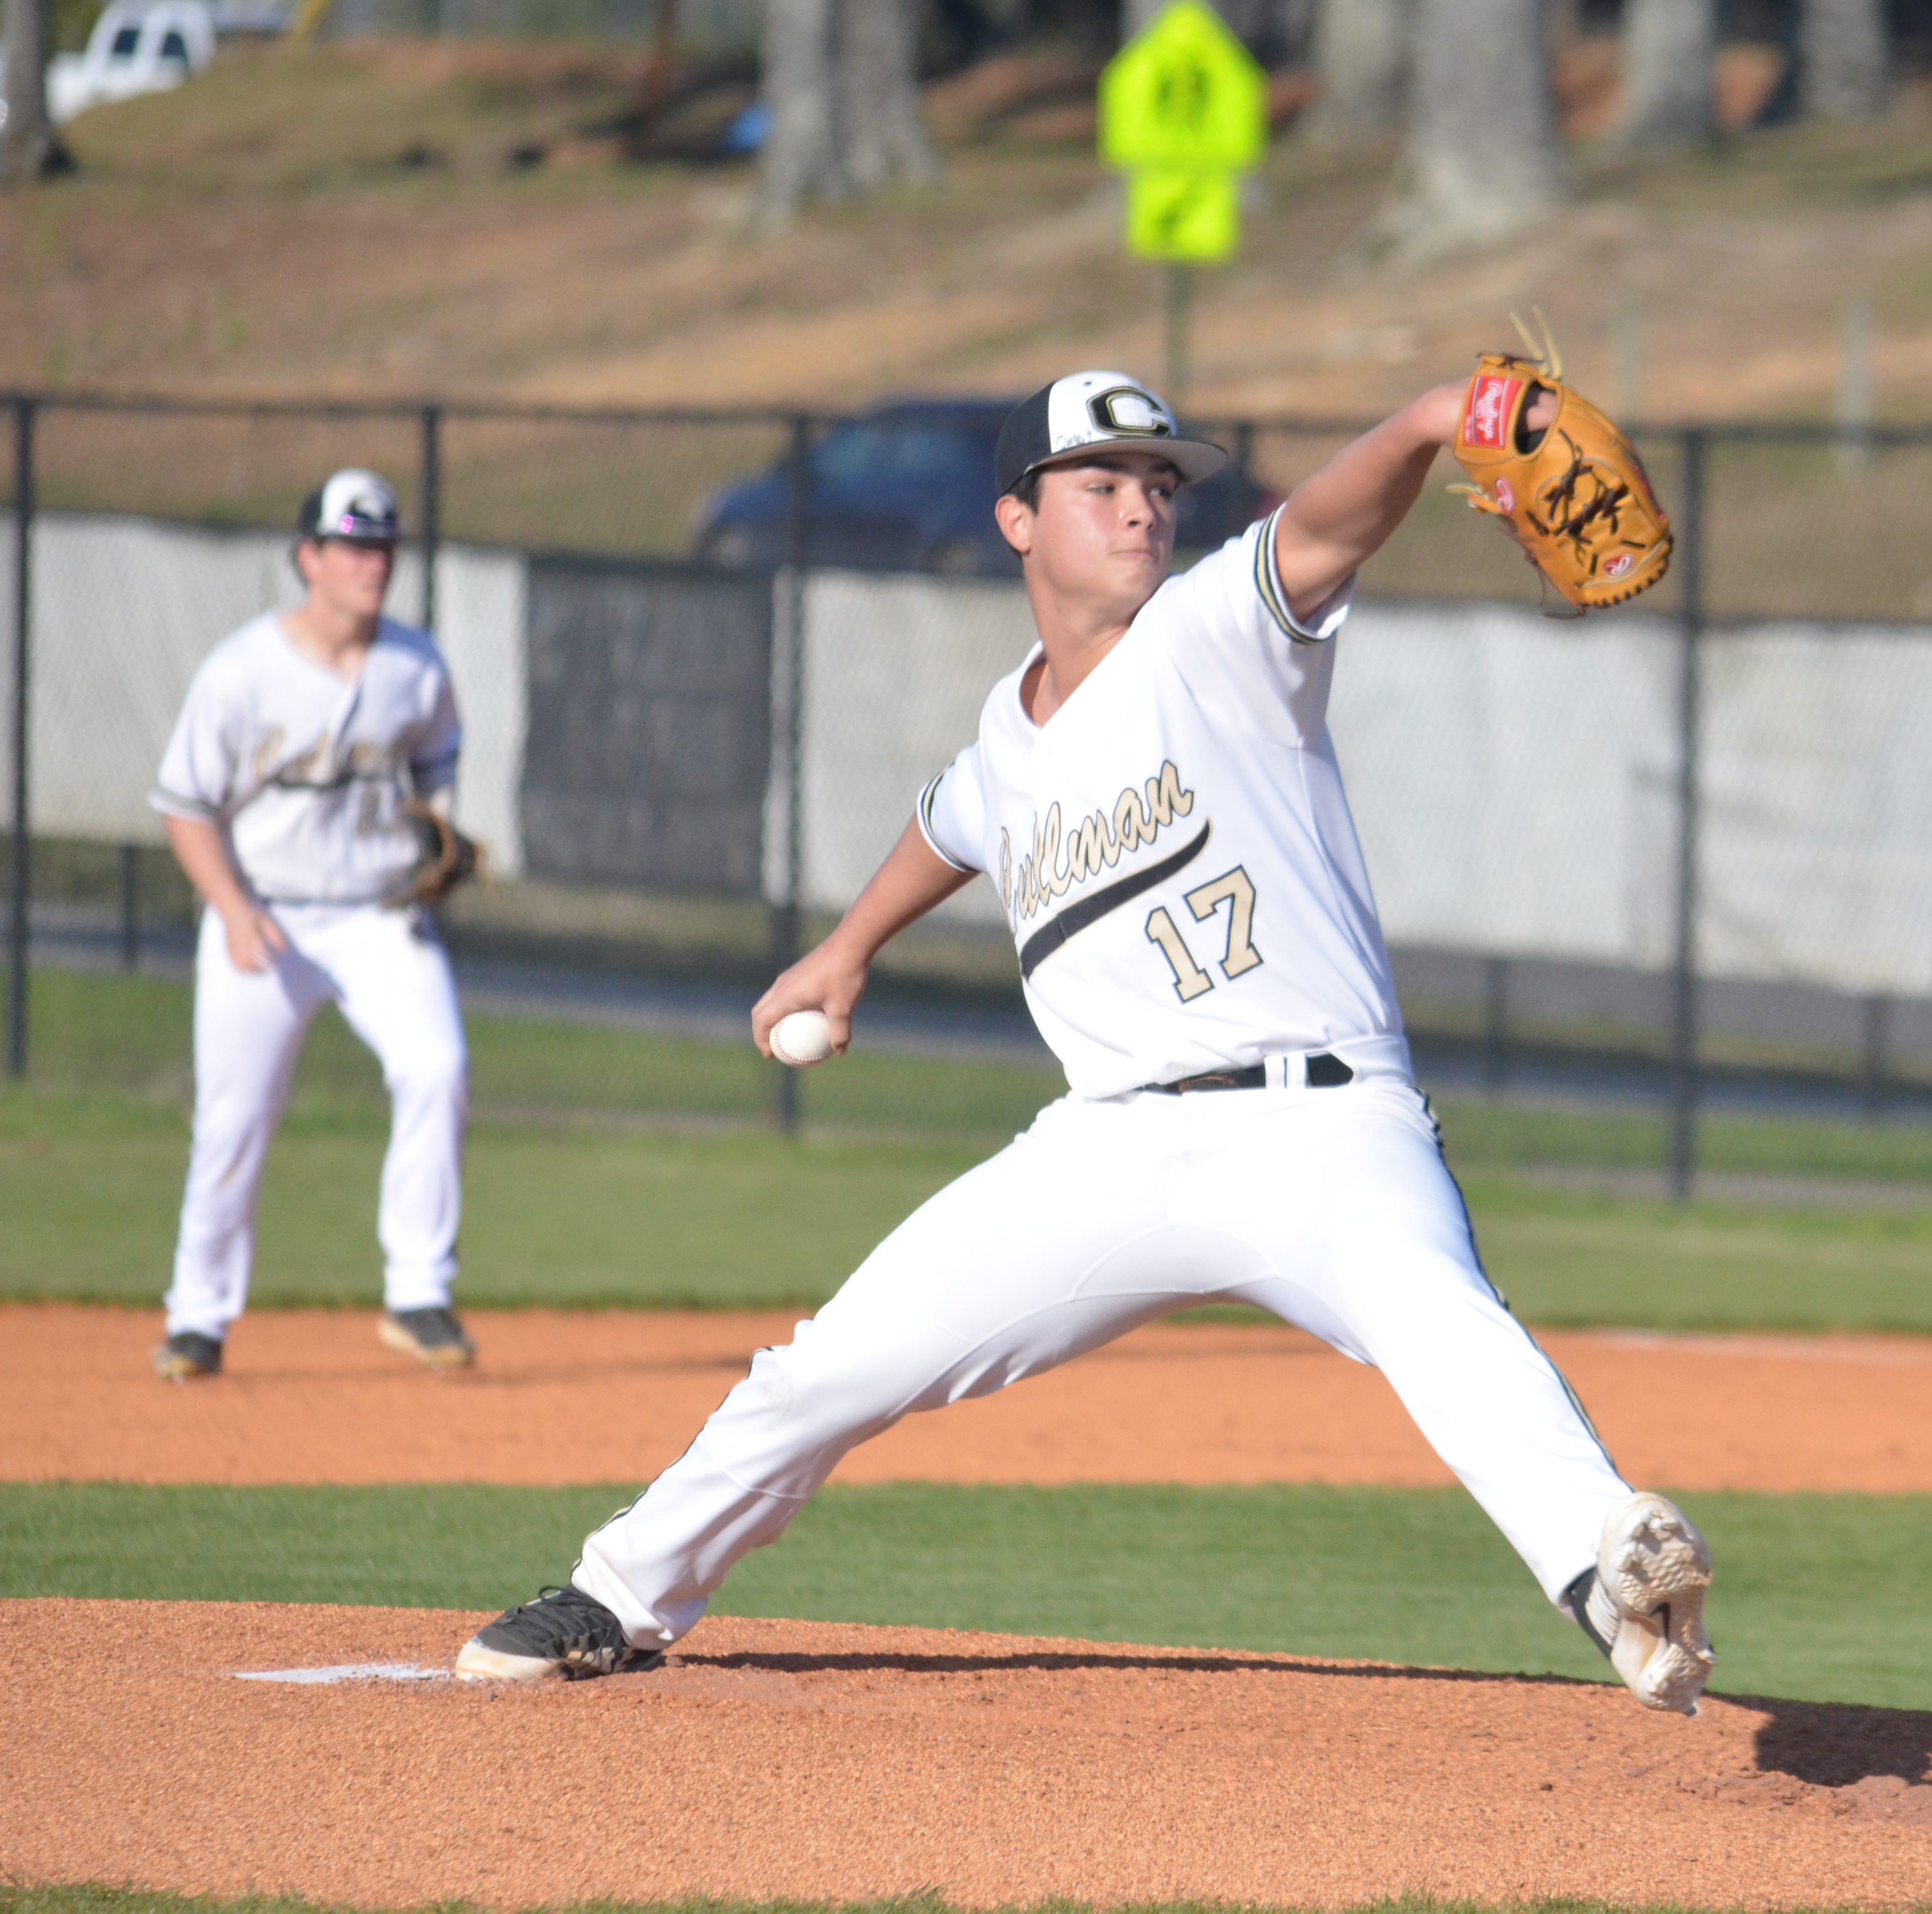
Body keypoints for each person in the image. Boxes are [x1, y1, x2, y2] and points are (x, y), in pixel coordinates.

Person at [455, 371, 1716, 1716]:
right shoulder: (1012, 731)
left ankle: (1612, 1571)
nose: (1142, 509)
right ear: (1015, 519)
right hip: (1110, 1144)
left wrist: (1422, 426)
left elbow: (1330, 528)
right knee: (832, 1364)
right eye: (1103, 484)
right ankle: (619, 1595)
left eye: (1161, 485)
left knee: (1442, 1325)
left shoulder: (1217, 633)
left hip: (1322, 1125)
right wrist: (847, 948)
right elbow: (950, 820)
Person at [147, 469, 477, 1383]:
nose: (372, 563)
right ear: (310, 557)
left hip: (379, 915)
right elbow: (184, 806)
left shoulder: (417, 665)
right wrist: (231, 907)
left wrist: (434, 852)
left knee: (437, 1067)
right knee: (234, 1120)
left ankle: (418, 1294)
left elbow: (436, 773)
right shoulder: (241, 671)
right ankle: (197, 1319)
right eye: (354, 546)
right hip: (267, 916)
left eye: (383, 548)